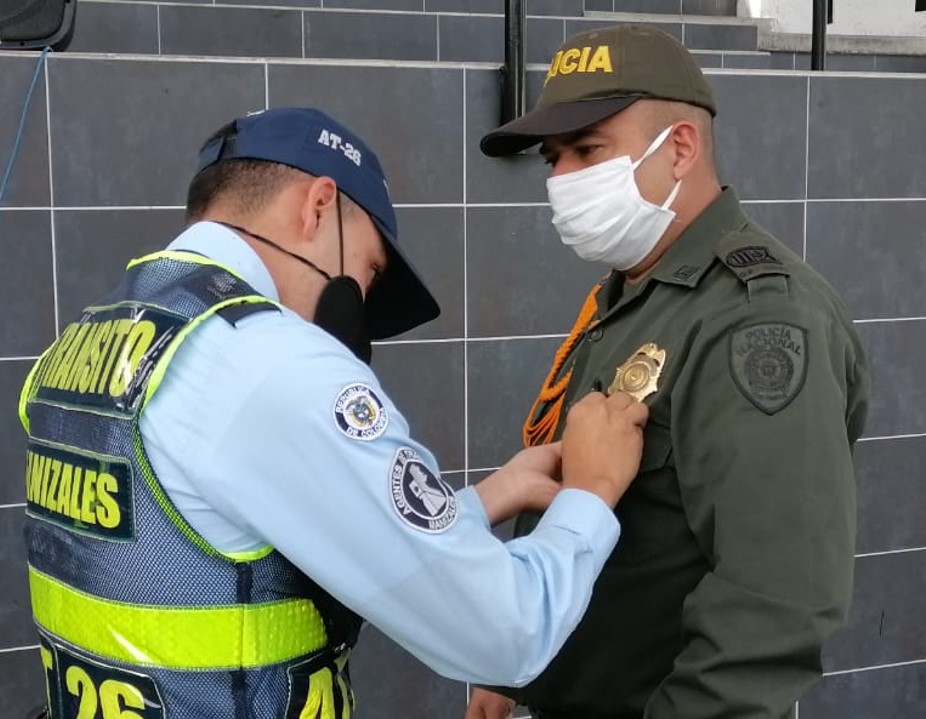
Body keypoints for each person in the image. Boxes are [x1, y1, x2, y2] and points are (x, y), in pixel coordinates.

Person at [17, 107, 650, 719]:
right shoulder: (273, 361)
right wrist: (590, 495)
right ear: (318, 206)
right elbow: (504, 633)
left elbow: (224, 532)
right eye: (369, 269)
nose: (361, 297)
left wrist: (486, 499)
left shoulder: (94, 337)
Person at [467, 25, 871, 719]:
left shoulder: (758, 322)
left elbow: (774, 603)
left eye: (587, 150)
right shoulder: (637, 291)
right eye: (553, 158)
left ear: (680, 148)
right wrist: (515, 665)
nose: (562, 179)